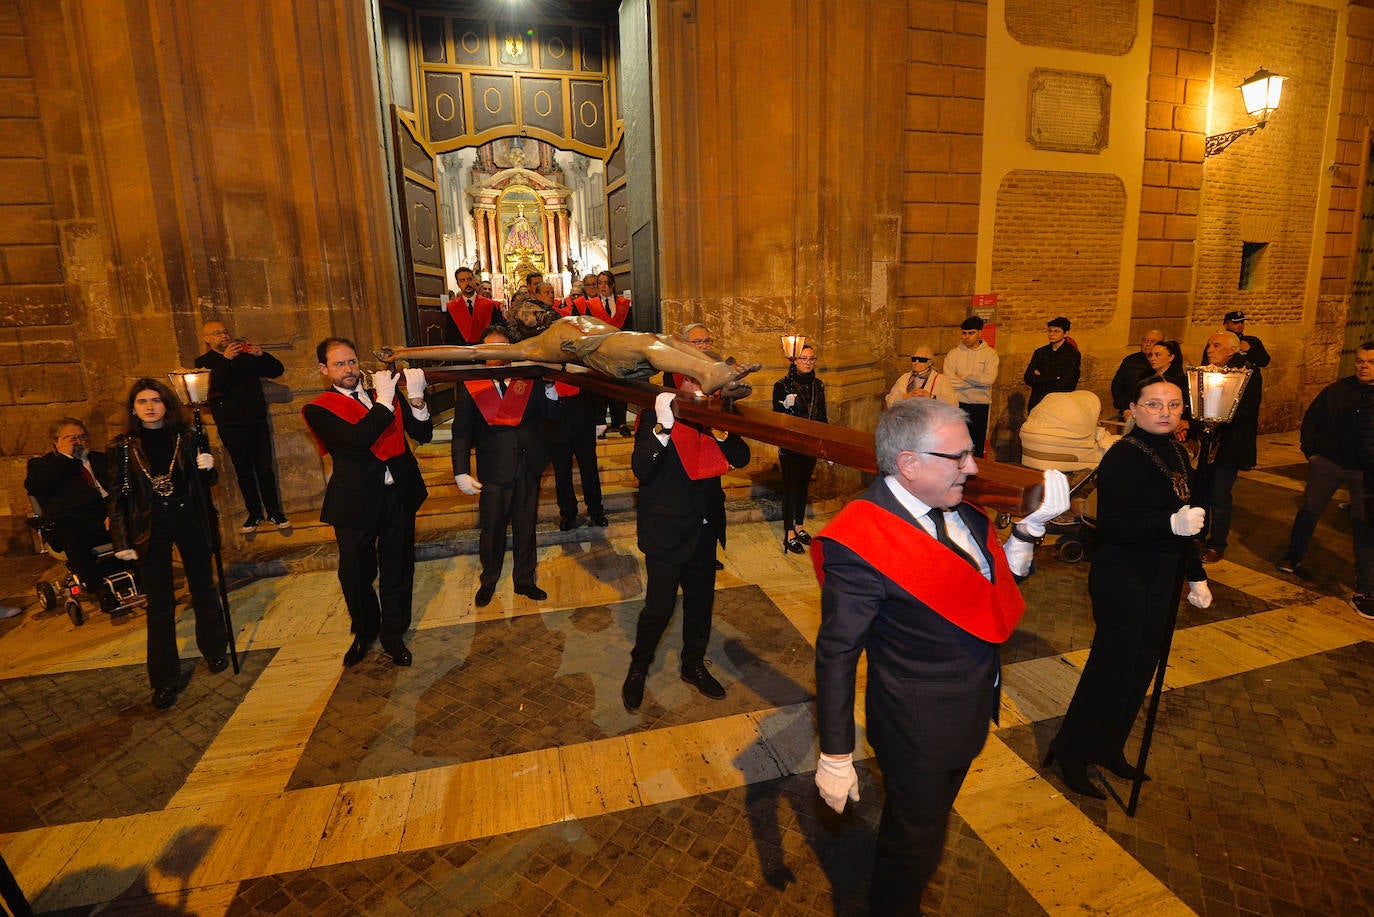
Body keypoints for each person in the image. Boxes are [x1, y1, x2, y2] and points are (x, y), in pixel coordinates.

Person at [811, 397, 1069, 913]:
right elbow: (837, 652)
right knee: (916, 843)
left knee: (919, 825)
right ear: (909, 463)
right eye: (959, 457)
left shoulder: (965, 513)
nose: (972, 468)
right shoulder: (861, 539)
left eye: (971, 454)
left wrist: (1028, 532)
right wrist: (835, 753)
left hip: (970, 709)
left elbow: (985, 595)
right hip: (917, 727)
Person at [1045, 375, 1212, 797]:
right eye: (1153, 404)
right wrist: (1167, 524)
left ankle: (1108, 746)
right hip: (1124, 575)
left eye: (1173, 405)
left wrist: (1195, 573)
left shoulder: (1176, 450)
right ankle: (1071, 751)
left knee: (1141, 668)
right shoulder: (1122, 456)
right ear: (1132, 411)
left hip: (1164, 574)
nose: (1165, 413)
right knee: (1111, 668)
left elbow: (1187, 518)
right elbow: (1113, 528)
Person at [303, 338, 432, 668]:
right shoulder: (319, 408)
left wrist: (417, 400)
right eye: (339, 364)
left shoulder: (382, 390)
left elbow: (423, 432)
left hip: (397, 493)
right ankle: (364, 631)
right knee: (355, 574)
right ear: (324, 370)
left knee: (397, 569)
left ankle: (393, 635)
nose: (348, 369)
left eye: (351, 361)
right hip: (355, 500)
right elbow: (357, 440)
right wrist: (386, 402)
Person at [621, 391, 750, 712]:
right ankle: (639, 667)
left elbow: (742, 456)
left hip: (704, 529)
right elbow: (642, 469)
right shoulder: (655, 415)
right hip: (666, 531)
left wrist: (721, 431)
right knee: (658, 609)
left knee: (700, 605)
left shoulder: (715, 416)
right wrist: (663, 428)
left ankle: (692, 664)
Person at [108, 379, 229, 710]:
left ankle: (215, 649)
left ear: (167, 405)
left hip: (189, 519)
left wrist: (209, 467)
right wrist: (121, 539)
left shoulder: (187, 437)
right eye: (143, 401)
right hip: (149, 527)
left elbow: (206, 483)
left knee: (204, 589)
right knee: (159, 604)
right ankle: (164, 679)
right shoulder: (122, 447)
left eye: (156, 400)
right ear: (133, 408)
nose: (149, 406)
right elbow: (118, 496)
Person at [381, 299, 761, 399]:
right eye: (524, 314)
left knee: (668, 339)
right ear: (520, 325)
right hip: (607, 355)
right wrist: (404, 353)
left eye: (535, 308)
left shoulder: (569, 316)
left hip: (620, 346)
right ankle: (709, 374)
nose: (532, 314)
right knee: (648, 342)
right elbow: (470, 352)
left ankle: (718, 377)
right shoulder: (532, 346)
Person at [452, 325, 552, 607]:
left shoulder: (526, 380)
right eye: (492, 349)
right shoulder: (471, 385)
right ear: (482, 352)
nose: (498, 355)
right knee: (492, 529)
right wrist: (460, 470)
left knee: (526, 526)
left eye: (503, 349)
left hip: (528, 465)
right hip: (494, 470)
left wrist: (551, 389)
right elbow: (461, 433)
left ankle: (524, 579)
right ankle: (489, 580)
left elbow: (549, 415)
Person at [1277, 342, 1374, 615]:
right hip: (1328, 464)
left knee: (1363, 525)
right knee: (1309, 510)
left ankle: (1365, 587)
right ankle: (1293, 555)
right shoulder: (1338, 390)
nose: (1363, 366)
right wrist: (1311, 452)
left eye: (1370, 362)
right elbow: (1312, 418)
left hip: (1363, 473)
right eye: (1359, 361)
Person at [195, 320, 289, 533]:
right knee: (243, 471)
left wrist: (261, 355)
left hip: (256, 422)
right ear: (207, 339)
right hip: (230, 426)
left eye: (225, 332)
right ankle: (254, 514)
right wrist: (226, 360)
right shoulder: (204, 362)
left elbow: (277, 370)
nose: (224, 336)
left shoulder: (245, 356)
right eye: (217, 333)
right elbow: (213, 387)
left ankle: (275, 512)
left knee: (265, 469)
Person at [532, 281, 606, 531]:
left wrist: (599, 419)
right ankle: (568, 514)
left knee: (589, 469)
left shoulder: (581, 350)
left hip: (583, 414)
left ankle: (596, 511)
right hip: (556, 416)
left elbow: (595, 386)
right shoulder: (540, 345)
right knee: (562, 472)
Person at [25, 418, 114, 607]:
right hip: (72, 523)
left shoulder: (101, 459)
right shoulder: (42, 465)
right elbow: (36, 486)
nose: (78, 442)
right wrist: (66, 458)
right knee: (73, 533)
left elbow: (122, 488)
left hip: (107, 516)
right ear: (56, 442)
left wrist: (114, 513)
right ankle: (99, 589)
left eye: (81, 437)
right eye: (70, 438)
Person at [1199, 331, 1263, 564]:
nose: (1209, 349)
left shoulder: (1247, 373)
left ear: (1232, 350)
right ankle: (1198, 536)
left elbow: (1245, 410)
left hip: (1230, 445)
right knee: (1202, 491)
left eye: (1216, 345)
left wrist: (1217, 417)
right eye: (1209, 345)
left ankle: (1217, 543)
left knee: (1219, 495)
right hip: (1207, 442)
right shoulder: (1207, 370)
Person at [773, 344, 828, 553]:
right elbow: (775, 416)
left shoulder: (819, 385)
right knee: (790, 488)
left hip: (811, 443)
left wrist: (826, 444)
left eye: (811, 359)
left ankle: (799, 526)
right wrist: (784, 406)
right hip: (790, 444)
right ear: (794, 361)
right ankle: (788, 533)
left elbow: (822, 416)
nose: (808, 363)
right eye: (803, 359)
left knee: (804, 486)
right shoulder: (782, 385)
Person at [945, 316, 999, 458]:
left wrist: (964, 377)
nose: (966, 337)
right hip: (958, 402)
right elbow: (949, 381)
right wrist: (975, 382)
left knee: (977, 445)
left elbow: (989, 379)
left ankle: (978, 476)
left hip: (980, 404)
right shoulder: (954, 354)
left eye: (971, 333)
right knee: (957, 443)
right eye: (964, 333)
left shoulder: (990, 354)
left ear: (980, 333)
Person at [587, 271, 633, 435]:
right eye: (600, 283)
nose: (603, 286)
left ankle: (620, 423)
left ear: (613, 285)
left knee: (620, 389)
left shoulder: (624, 304)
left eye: (606, 283)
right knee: (600, 390)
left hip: (619, 355)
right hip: (598, 354)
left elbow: (630, 329)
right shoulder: (590, 305)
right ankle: (600, 425)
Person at [1022, 316, 1081, 412]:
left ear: (1065, 333)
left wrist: (1041, 377)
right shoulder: (1040, 352)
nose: (1052, 334)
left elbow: (1067, 382)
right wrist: (1054, 377)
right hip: (1037, 401)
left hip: (1058, 402)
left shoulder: (1072, 354)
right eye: (1050, 331)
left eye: (1056, 331)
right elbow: (1028, 378)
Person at [1139, 339, 1190, 441]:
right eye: (1151, 355)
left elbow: (1184, 406)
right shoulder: (1145, 376)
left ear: (1171, 357)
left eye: (1157, 355)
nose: (1152, 358)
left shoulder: (1179, 380)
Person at [1110, 328, 1164, 418]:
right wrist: (1125, 408)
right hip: (1129, 410)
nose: (1147, 344)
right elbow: (1117, 386)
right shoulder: (1130, 361)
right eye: (1145, 340)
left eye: (1152, 341)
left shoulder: (1163, 363)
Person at [446, 266, 505, 345]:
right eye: (462, 280)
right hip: (462, 352)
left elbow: (498, 329)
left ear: (474, 280)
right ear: (458, 284)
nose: (467, 283)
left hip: (486, 349)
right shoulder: (451, 307)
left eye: (469, 279)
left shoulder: (489, 304)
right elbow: (450, 335)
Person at [884, 345, 957, 407]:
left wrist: (931, 397)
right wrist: (906, 396)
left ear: (930, 362)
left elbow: (953, 404)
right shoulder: (904, 378)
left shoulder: (941, 379)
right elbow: (889, 402)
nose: (916, 362)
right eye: (914, 359)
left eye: (922, 360)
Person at [1199, 310, 1270, 368]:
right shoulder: (1216, 341)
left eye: (1242, 322)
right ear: (1226, 325)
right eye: (1235, 322)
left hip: (1250, 382)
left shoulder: (1252, 341)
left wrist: (1250, 350)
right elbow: (1206, 364)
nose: (1240, 325)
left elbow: (1264, 362)